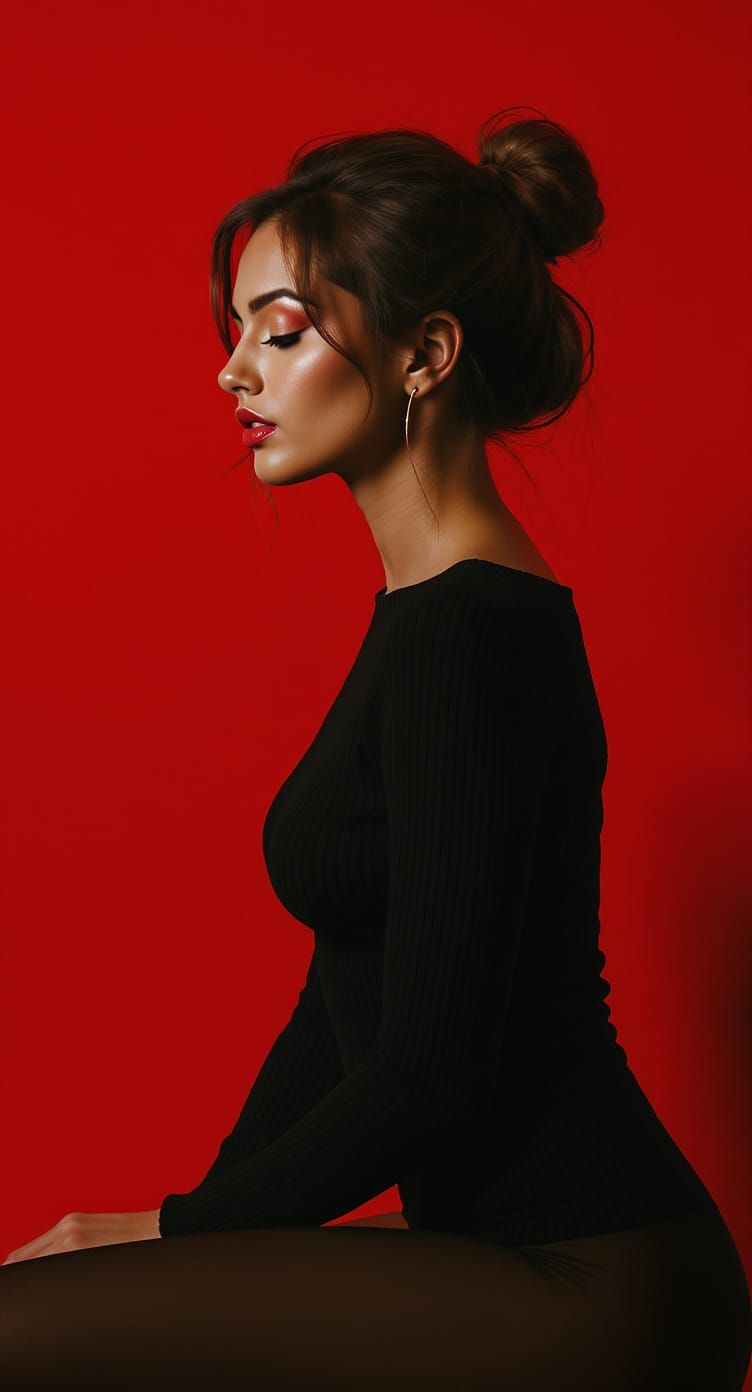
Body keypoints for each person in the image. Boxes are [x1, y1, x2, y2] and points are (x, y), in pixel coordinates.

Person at [3, 106, 750, 1391]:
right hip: (515, 1257)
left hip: (590, 1281)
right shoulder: (430, 614)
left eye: (281, 331)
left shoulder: (471, 636)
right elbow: (345, 993)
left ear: (425, 355)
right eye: (238, 328)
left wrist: (174, 1235)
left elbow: (429, 1070)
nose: (234, 370)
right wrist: (199, 1225)